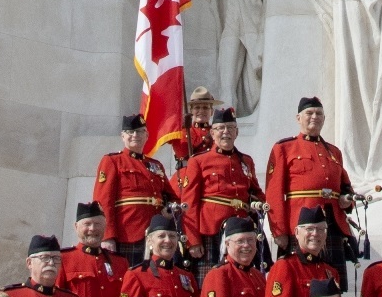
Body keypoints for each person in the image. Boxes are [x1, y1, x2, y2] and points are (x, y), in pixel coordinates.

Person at [263, 96, 353, 261]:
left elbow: (345, 185)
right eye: (309, 113)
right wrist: (279, 231)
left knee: (333, 280)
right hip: (300, 224)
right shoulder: (284, 148)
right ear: (298, 118)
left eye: (319, 113)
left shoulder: (334, 152)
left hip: (331, 224)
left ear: (324, 118)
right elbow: (273, 193)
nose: (315, 117)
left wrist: (347, 200)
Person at [177, 106, 264, 263]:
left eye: (230, 128)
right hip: (211, 232)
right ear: (212, 133)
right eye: (220, 128)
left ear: (236, 132)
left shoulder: (246, 161)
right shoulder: (198, 161)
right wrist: (193, 240)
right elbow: (189, 203)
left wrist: (259, 203)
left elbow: (257, 193)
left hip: (241, 231)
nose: (226, 132)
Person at [94, 116, 177, 266]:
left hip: (155, 234)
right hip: (127, 233)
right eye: (130, 132)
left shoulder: (155, 165)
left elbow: (172, 196)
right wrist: (108, 236)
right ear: (123, 136)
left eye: (140, 132)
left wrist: (169, 209)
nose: (135, 136)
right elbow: (103, 201)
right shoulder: (113, 161)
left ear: (147, 135)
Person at [116, 215, 198, 297]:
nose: (167, 240)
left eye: (172, 236)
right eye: (161, 236)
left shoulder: (186, 276)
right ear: (149, 241)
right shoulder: (137, 275)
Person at [172, 86, 219, 174]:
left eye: (205, 108)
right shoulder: (182, 131)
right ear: (191, 111)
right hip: (186, 176)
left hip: (210, 175)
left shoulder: (217, 132)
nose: (201, 111)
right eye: (197, 107)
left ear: (212, 111)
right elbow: (181, 152)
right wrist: (181, 126)